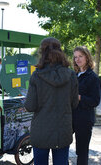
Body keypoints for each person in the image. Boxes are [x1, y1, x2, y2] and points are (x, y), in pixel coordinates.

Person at [24, 37, 79, 165]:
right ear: (60, 51)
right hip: (63, 131)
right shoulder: (71, 75)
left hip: (41, 132)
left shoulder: (36, 76)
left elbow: (30, 106)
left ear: (42, 53)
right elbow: (74, 104)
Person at [72, 46, 101, 165]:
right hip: (70, 117)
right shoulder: (74, 75)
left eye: (80, 56)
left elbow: (95, 101)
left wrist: (79, 97)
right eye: (75, 57)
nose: (77, 59)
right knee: (61, 145)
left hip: (84, 120)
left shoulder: (93, 77)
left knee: (82, 152)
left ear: (87, 57)